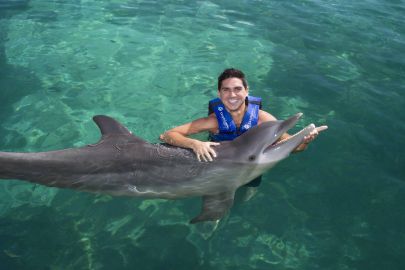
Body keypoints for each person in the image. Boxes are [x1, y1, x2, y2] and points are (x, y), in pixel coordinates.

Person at [159, 68, 326, 198]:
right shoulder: (214, 121)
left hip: (250, 163)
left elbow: (291, 146)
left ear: (247, 91)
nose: (232, 95)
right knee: (213, 188)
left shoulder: (263, 119)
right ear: (219, 93)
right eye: (226, 90)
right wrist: (195, 143)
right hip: (216, 164)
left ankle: (245, 190)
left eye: (238, 89)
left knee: (250, 184)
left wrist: (304, 141)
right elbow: (167, 135)